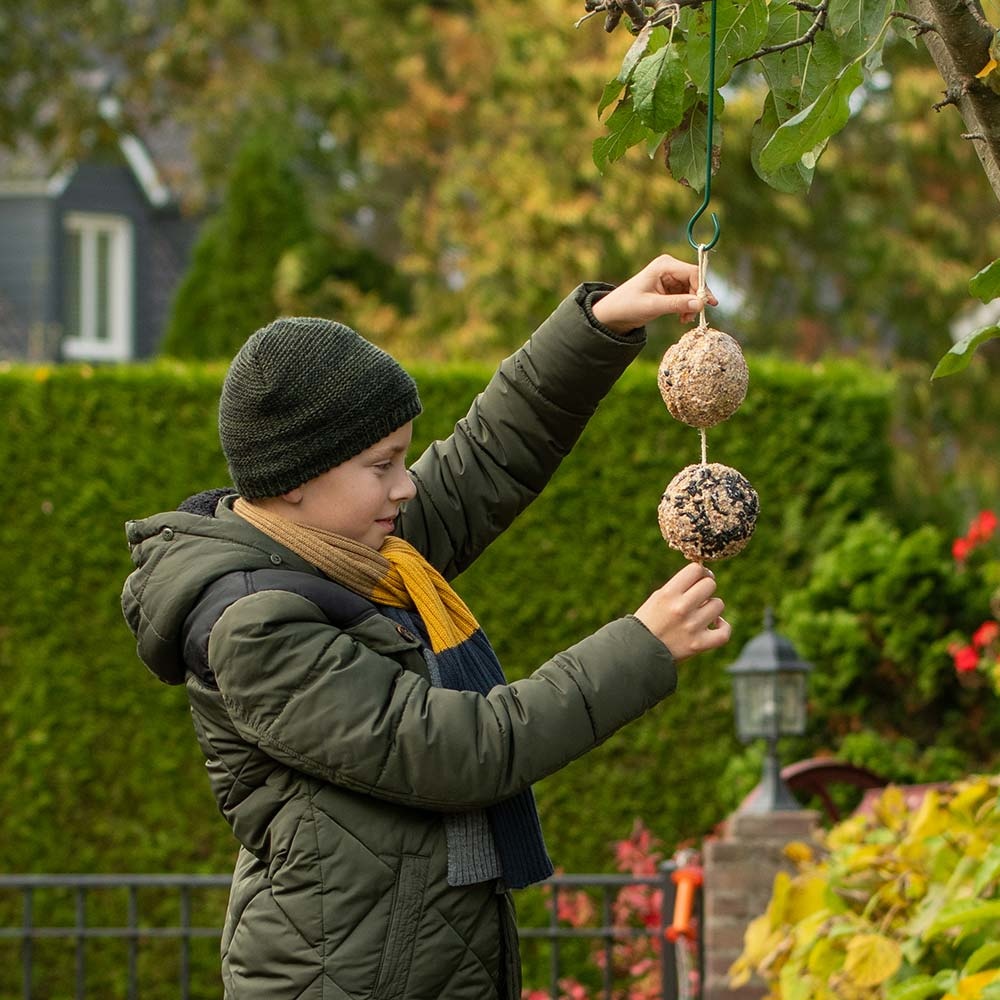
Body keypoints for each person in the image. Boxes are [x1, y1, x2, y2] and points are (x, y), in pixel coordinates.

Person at [121, 253, 729, 1000]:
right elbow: (461, 750)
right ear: (298, 481)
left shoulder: (356, 555)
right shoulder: (254, 629)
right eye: (383, 465)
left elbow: (488, 457)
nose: (406, 485)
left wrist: (599, 323)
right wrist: (642, 645)